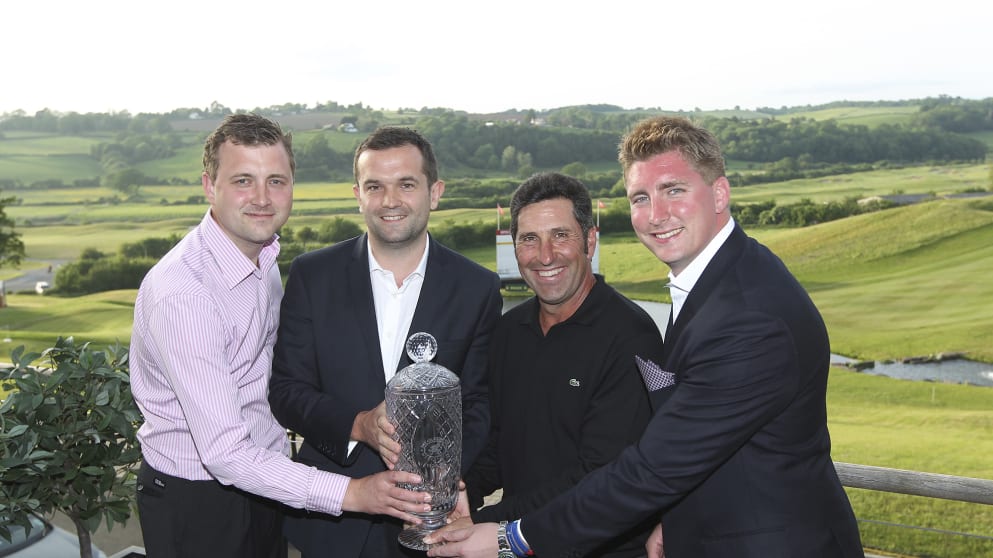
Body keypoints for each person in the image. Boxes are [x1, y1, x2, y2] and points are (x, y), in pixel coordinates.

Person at [425, 116, 864, 557]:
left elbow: (652, 469)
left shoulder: (747, 319)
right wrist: (672, 520)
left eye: (674, 190)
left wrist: (510, 538)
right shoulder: (720, 279)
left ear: (719, 193)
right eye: (640, 197)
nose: (656, 214)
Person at [130, 114, 432, 558]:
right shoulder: (183, 293)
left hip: (265, 485)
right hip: (198, 500)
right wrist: (355, 494)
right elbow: (225, 453)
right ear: (209, 186)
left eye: (276, 180)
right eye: (242, 181)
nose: (261, 198)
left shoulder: (264, 259)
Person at [267, 125, 503, 557]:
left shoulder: (477, 288)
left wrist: (444, 479)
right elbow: (285, 391)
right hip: (332, 524)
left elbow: (481, 403)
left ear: (435, 193)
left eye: (406, 185)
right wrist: (358, 425)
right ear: (358, 194)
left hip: (431, 523)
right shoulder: (312, 276)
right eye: (375, 186)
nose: (390, 201)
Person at [448, 172, 662, 557]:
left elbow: (597, 474)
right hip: (520, 542)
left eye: (560, 235)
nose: (545, 255)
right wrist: (459, 492)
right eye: (530, 239)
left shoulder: (631, 336)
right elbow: (498, 444)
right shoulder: (510, 331)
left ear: (590, 241)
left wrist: (485, 523)